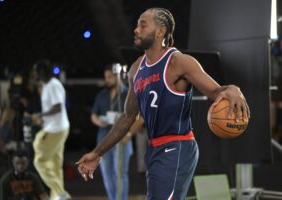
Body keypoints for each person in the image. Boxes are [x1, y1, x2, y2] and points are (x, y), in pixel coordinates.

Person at [76, 7, 250, 200]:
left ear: (160, 31)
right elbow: (127, 117)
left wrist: (232, 88)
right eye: (137, 25)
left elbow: (216, 91)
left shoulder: (179, 62)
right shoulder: (136, 69)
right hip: (154, 149)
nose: (136, 30)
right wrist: (98, 153)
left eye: (143, 25)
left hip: (177, 146)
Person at [91, 64, 133, 200]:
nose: (107, 80)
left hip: (121, 139)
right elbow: (93, 115)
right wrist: (98, 121)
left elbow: (137, 117)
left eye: (110, 77)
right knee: (107, 174)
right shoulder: (102, 94)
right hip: (104, 139)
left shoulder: (127, 93)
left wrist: (129, 133)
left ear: (118, 76)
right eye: (106, 77)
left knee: (120, 174)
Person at [31, 59, 71, 200]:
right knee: (55, 166)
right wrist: (42, 120)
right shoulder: (47, 85)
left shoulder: (54, 85)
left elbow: (58, 107)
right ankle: (57, 197)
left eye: (36, 72)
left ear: (42, 72)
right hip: (55, 127)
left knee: (39, 161)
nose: (34, 75)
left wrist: (41, 115)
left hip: (56, 130)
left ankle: (60, 192)